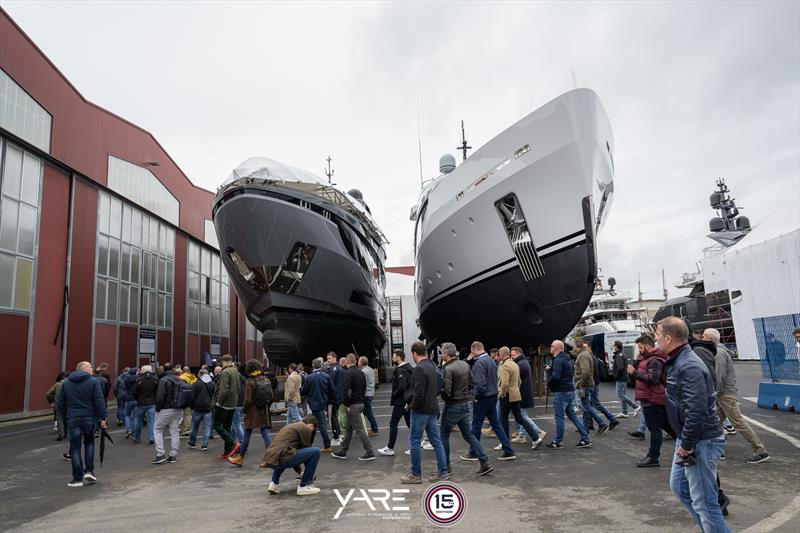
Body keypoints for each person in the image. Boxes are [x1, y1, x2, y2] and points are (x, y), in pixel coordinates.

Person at [658, 317, 729, 533]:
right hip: (689, 438)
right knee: (680, 488)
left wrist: (687, 445)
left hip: (699, 441)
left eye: (657, 335)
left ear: (668, 338)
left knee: (705, 503)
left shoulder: (688, 365)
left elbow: (696, 411)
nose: (655, 339)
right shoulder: (678, 360)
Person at [704, 328, 769, 464]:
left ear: (710, 339)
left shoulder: (719, 353)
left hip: (725, 394)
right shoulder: (720, 351)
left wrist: (715, 393)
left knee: (738, 422)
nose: (702, 339)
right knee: (715, 422)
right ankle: (718, 450)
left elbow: (719, 376)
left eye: (704, 337)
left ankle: (760, 451)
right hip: (723, 394)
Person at [438, 342, 493, 476]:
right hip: (465, 404)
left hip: (453, 405)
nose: (441, 355)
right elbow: (472, 383)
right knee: (469, 435)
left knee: (444, 435)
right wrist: (468, 395)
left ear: (446, 353)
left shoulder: (448, 368)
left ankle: (446, 466)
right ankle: (484, 462)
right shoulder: (464, 365)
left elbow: (447, 391)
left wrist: (442, 395)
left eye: (442, 352)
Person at [401, 342, 449, 483]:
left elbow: (419, 394)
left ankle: (415, 474)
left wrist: (411, 406)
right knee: (436, 440)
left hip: (421, 410)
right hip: (433, 408)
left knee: (414, 440)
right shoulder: (432, 366)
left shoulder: (419, 368)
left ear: (414, 353)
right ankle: (443, 471)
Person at [57, 362, 107, 487]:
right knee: (89, 443)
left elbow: (60, 403)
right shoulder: (93, 381)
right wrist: (103, 417)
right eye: (90, 367)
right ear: (83, 369)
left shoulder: (66, 383)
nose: (92, 369)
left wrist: (66, 416)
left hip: (73, 418)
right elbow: (99, 400)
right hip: (89, 417)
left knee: (75, 448)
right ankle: (89, 471)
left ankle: (77, 478)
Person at [627, 334, 674, 467]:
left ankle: (653, 457)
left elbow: (653, 378)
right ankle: (688, 447)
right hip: (651, 398)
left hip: (652, 399)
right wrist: (636, 367)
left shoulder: (655, 360)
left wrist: (635, 373)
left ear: (647, 346)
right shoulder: (648, 359)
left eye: (640, 347)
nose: (639, 350)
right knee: (668, 427)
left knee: (655, 430)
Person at [468, 341, 516, 460]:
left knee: (476, 425)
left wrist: (476, 396)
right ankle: (508, 450)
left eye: (472, 352)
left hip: (482, 398)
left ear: (475, 350)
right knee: (496, 424)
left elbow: (480, 384)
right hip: (492, 396)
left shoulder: (479, 363)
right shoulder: (491, 360)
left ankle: (474, 452)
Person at [546, 340, 591, 449]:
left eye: (551, 346)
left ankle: (558, 441)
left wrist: (549, 383)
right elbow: (563, 373)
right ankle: (585, 438)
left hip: (561, 392)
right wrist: (551, 369)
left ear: (556, 348)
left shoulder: (558, 360)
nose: (550, 347)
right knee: (572, 415)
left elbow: (556, 376)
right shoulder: (566, 358)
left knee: (559, 417)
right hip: (569, 390)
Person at [262, 414, 322, 496]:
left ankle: (274, 484)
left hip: (270, 459)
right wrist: (307, 475)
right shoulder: (304, 428)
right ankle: (304, 486)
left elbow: (293, 453)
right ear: (311, 425)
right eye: (313, 429)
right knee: (315, 452)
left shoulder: (291, 426)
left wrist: (300, 471)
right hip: (281, 457)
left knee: (282, 457)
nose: (312, 431)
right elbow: (306, 453)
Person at [496, 346, 542, 451]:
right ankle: (535, 438)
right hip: (516, 394)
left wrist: (500, 394)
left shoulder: (505, 366)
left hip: (507, 395)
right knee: (519, 417)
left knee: (503, 419)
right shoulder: (515, 364)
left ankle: (504, 443)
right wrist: (515, 389)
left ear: (502, 355)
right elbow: (519, 381)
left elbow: (504, 384)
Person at [229, 359, 272, 467]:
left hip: (252, 412)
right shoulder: (266, 380)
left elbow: (247, 400)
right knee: (265, 432)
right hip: (263, 411)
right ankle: (270, 458)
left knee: (247, 433)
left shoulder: (250, 382)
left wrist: (244, 410)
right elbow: (271, 396)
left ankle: (240, 458)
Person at [331, 354, 375, 461]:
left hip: (352, 405)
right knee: (348, 428)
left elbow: (346, 390)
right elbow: (364, 387)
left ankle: (369, 451)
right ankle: (343, 450)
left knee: (359, 429)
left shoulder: (347, 373)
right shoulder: (361, 372)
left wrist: (346, 404)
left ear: (347, 361)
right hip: (360, 402)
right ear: (355, 361)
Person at [377, 349, 413, 456]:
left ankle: (390, 448)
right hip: (407, 401)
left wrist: (394, 394)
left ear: (399, 357)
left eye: (394, 357)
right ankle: (414, 446)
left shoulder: (400, 370)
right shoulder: (409, 368)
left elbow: (402, 386)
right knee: (410, 424)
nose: (392, 359)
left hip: (400, 402)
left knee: (393, 424)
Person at [573, 340, 609, 434]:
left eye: (574, 346)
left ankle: (601, 424)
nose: (573, 348)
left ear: (577, 346)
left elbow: (585, 371)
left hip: (584, 385)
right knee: (585, 406)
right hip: (585, 384)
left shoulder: (583, 355)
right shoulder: (584, 354)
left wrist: (580, 383)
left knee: (586, 406)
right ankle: (585, 427)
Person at [301, 357, 337, 452]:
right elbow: (332, 390)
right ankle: (313, 444)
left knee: (318, 424)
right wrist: (334, 400)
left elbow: (303, 391)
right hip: (323, 402)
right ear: (321, 365)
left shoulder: (309, 377)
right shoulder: (326, 376)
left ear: (313, 366)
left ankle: (325, 445)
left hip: (313, 404)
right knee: (318, 424)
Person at [153, 362, 183, 464]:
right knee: (175, 432)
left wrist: (158, 408)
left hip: (166, 409)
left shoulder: (163, 380)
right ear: (173, 369)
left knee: (157, 429)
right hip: (178, 409)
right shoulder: (178, 379)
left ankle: (160, 454)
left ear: (164, 370)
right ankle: (173, 455)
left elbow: (160, 396)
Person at [212, 355, 242, 459]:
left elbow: (223, 390)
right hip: (233, 404)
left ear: (223, 361)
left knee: (216, 425)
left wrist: (218, 402)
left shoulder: (225, 372)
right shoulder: (235, 371)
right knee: (227, 427)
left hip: (224, 404)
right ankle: (228, 451)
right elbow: (239, 387)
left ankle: (233, 443)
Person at [187, 368, 216, 451]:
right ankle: (205, 444)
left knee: (194, 427)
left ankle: (192, 442)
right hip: (208, 408)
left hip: (197, 408)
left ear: (200, 374)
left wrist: (191, 406)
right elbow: (214, 395)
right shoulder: (212, 383)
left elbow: (192, 396)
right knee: (207, 427)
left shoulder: (196, 383)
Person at [132, 365, 158, 445]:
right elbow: (158, 391)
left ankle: (137, 438)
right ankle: (151, 437)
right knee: (152, 421)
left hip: (141, 403)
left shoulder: (139, 379)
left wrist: (138, 399)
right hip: (152, 403)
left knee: (138, 421)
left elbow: (134, 392)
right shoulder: (155, 379)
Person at [613, 341, 638, 417]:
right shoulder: (621, 354)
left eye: (614, 346)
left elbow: (620, 367)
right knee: (622, 394)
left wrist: (615, 376)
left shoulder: (619, 355)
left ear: (616, 347)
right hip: (624, 377)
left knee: (619, 394)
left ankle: (635, 407)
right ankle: (624, 412)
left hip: (621, 378)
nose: (613, 347)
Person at [325, 351, 344, 445]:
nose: (328, 360)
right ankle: (338, 435)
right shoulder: (340, 368)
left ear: (334, 358)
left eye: (329, 358)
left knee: (333, 417)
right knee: (335, 416)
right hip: (339, 396)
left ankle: (336, 437)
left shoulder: (334, 369)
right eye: (327, 358)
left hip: (333, 397)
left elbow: (330, 384)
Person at [358, 356, 379, 435]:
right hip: (371, 393)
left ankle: (374, 428)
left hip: (366, 394)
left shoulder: (363, 371)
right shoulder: (370, 369)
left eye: (359, 361)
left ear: (361, 363)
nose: (358, 362)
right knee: (364, 412)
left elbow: (363, 383)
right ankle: (360, 427)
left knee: (368, 412)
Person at [46, 372, 68, 441]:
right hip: (69, 405)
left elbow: (48, 394)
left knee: (60, 419)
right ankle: (66, 433)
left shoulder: (57, 384)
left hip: (59, 404)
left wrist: (51, 401)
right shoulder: (71, 384)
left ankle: (61, 434)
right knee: (67, 419)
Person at [122, 367, 138, 439]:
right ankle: (134, 433)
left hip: (128, 398)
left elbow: (124, 387)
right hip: (136, 398)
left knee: (127, 415)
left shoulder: (126, 379)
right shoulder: (138, 379)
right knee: (135, 417)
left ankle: (128, 430)